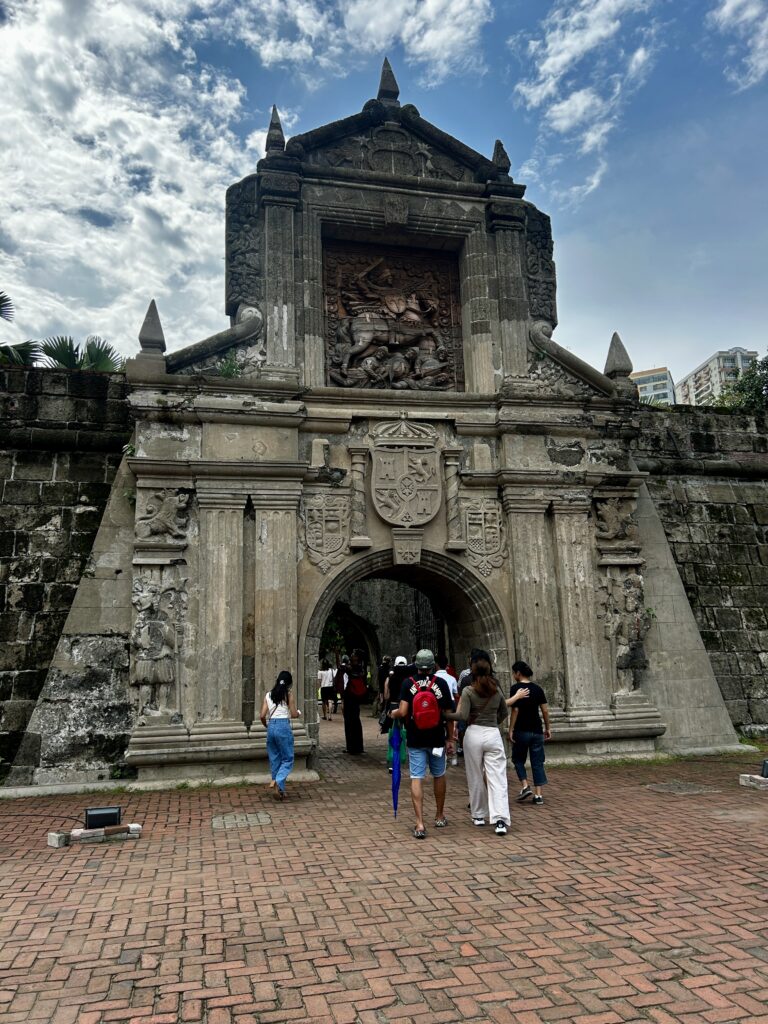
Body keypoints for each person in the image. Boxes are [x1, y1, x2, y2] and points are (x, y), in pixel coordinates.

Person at [446, 652, 529, 835]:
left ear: (473, 672)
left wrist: (444, 715)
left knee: (475, 775)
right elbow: (504, 712)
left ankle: (478, 815)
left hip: (473, 733)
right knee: (497, 778)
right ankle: (500, 819)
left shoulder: (469, 690)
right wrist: (493, 722)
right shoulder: (496, 688)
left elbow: (463, 716)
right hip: (492, 734)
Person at [390, 649, 454, 839]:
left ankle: (419, 823)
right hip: (436, 738)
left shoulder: (408, 683)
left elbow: (402, 712)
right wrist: (450, 738)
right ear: (433, 665)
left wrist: (392, 714)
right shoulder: (440, 683)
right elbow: (449, 714)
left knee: (416, 777)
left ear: (416, 665)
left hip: (416, 737)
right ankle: (440, 815)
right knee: (439, 774)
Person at [508, 661, 551, 805]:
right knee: (537, 762)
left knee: (518, 759)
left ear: (518, 673)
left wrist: (511, 729)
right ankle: (538, 795)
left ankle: (525, 785)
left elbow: (515, 710)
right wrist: (548, 727)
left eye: (514, 673)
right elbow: (545, 710)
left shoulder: (516, 689)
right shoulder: (538, 689)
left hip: (521, 729)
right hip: (537, 730)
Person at [260, 670, 301, 800]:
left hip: (271, 725)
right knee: (288, 758)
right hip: (283, 726)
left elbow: (261, 715)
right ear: (289, 683)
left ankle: (280, 789)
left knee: (275, 758)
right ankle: (278, 780)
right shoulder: (288, 695)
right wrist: (298, 712)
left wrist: (267, 725)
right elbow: (294, 714)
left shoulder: (268, 695)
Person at [384, 655, 410, 774]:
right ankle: (409, 757)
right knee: (407, 732)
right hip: (406, 708)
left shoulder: (390, 678)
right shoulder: (409, 679)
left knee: (394, 733)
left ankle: (393, 762)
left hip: (394, 707)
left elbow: (386, 696)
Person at [342, 649, 367, 755]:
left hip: (350, 696)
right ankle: (358, 746)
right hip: (356, 698)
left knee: (349, 721)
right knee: (356, 720)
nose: (351, 656)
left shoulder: (350, 668)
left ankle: (351, 747)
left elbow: (342, 667)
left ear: (356, 657)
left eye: (353, 655)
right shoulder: (361, 668)